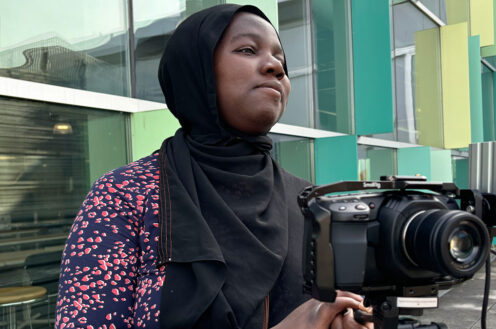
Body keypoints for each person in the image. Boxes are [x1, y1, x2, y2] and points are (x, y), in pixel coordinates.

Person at [55, 4, 372, 329]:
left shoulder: (308, 201)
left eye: (281, 61)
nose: (275, 67)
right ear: (196, 70)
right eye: (248, 49)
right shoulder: (125, 196)